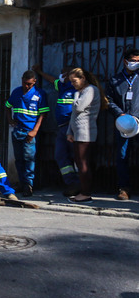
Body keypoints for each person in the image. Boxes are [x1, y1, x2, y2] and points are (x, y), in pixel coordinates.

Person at [33, 64, 81, 196]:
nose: (61, 76)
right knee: (60, 155)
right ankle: (71, 182)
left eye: (64, 74)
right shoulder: (62, 86)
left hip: (73, 127)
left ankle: (80, 184)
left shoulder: (77, 88)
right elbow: (51, 79)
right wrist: (39, 71)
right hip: (61, 128)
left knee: (75, 156)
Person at [5, 70, 49, 196]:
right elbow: (7, 106)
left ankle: (29, 185)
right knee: (19, 159)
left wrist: (34, 131)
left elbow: (43, 114)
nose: (26, 86)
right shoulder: (16, 92)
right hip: (17, 131)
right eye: (25, 83)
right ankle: (21, 183)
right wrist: (10, 119)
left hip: (30, 132)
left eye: (29, 84)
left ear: (34, 81)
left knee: (29, 158)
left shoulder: (40, 94)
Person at [105, 46, 139, 200]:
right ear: (125, 62)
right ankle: (124, 188)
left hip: (138, 122)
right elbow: (108, 100)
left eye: (138, 61)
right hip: (123, 124)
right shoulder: (115, 80)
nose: (135, 63)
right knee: (122, 155)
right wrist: (120, 114)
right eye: (133, 61)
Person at [65, 68, 103, 203]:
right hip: (77, 132)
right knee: (79, 163)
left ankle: (86, 194)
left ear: (83, 79)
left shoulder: (90, 90)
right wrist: (69, 131)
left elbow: (78, 108)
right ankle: (84, 191)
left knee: (83, 164)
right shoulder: (81, 92)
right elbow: (74, 116)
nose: (72, 84)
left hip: (86, 132)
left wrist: (76, 95)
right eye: (71, 81)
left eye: (74, 81)